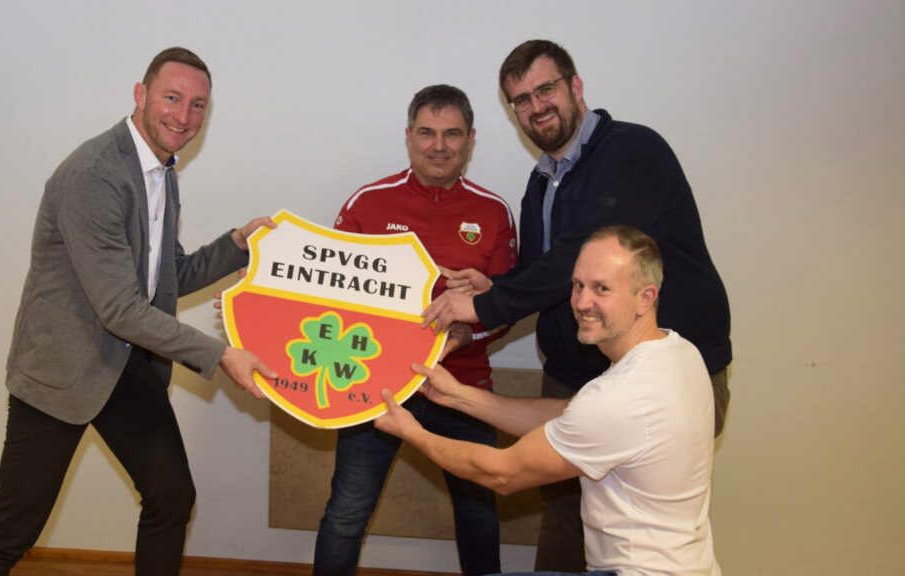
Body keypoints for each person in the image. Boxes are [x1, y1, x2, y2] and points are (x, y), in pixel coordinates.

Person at [0, 47, 276, 576]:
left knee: (171, 496)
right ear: (141, 95)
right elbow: (120, 308)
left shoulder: (161, 172)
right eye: (172, 98)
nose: (183, 116)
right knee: (13, 529)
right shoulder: (95, 175)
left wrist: (239, 245)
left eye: (198, 105)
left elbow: (168, 276)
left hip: (122, 365)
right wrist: (222, 354)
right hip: (60, 374)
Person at [422, 39, 732, 571]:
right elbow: (545, 271)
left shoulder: (633, 152)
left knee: (633, 521)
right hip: (577, 374)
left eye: (545, 89)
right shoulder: (541, 182)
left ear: (575, 86)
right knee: (567, 514)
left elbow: (577, 254)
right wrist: (493, 287)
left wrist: (487, 306)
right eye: (521, 99)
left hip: (655, 375)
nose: (536, 106)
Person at [382, 226, 721, 575]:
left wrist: (412, 432)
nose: (582, 302)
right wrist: (458, 395)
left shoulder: (620, 396)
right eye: (578, 285)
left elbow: (501, 473)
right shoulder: (679, 352)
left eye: (602, 289)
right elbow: (572, 415)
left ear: (645, 298)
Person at [312, 84, 517, 576]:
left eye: (452, 134)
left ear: (470, 139)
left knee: (477, 511)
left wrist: (466, 335)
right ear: (408, 137)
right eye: (427, 133)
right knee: (346, 512)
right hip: (375, 387)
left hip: (463, 388)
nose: (438, 146)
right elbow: (326, 290)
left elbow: (508, 305)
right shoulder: (367, 202)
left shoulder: (494, 212)